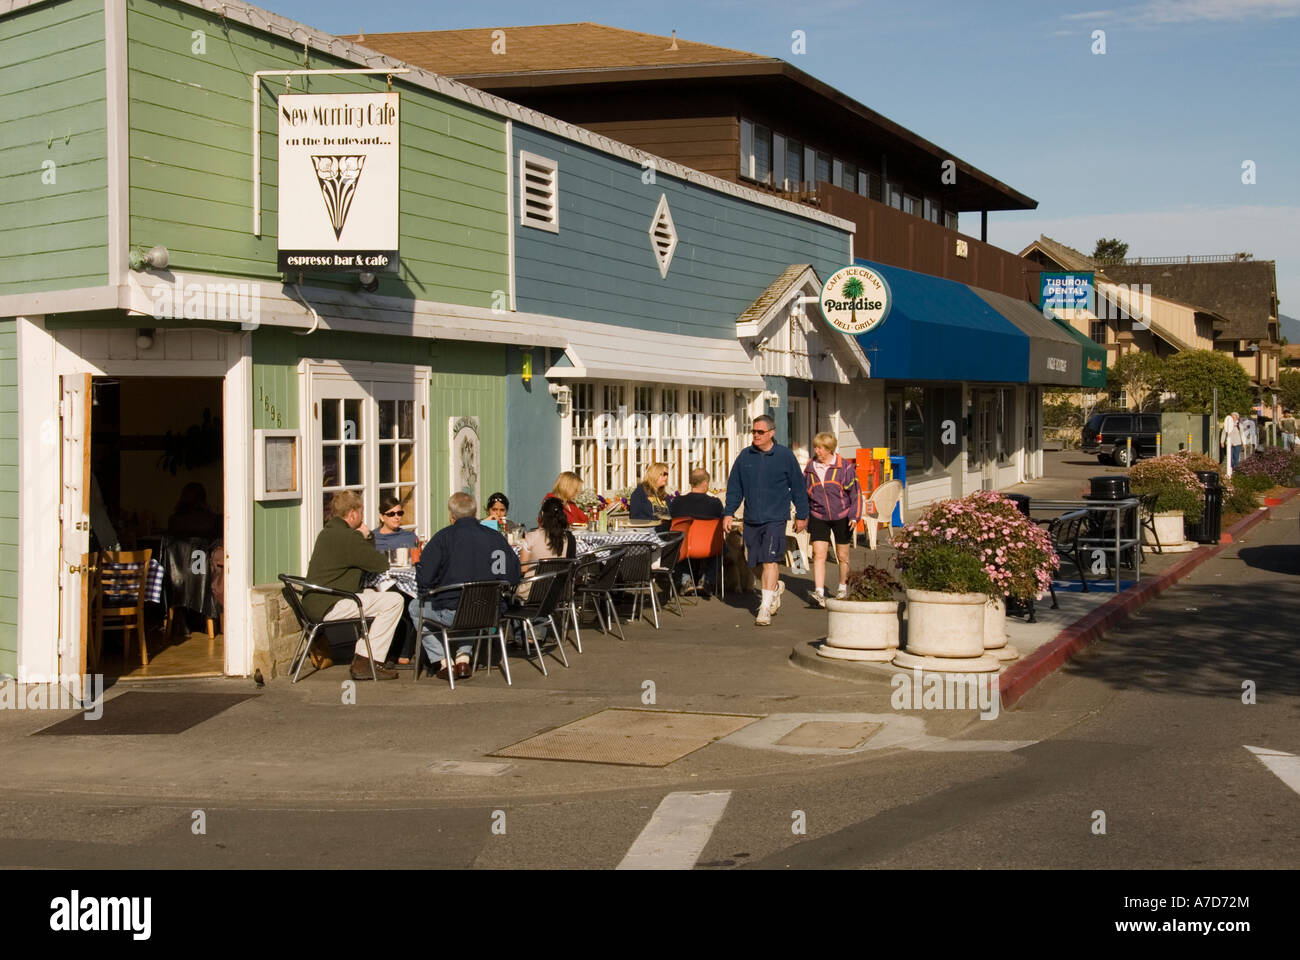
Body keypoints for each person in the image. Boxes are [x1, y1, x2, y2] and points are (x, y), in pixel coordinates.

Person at [410, 492, 522, 680]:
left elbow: (425, 580)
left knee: (415, 607)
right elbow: (511, 575)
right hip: (490, 611)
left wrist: (427, 578)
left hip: (454, 611)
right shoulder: (495, 538)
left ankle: (444, 661)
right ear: (476, 512)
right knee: (474, 601)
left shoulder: (442, 539)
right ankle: (463, 659)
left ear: (451, 515)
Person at [302, 491, 402, 680]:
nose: (363, 517)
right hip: (329, 603)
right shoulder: (349, 537)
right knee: (394, 601)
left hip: (315, 601)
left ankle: (364, 656)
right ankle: (366, 660)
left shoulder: (327, 532)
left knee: (374, 594)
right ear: (353, 514)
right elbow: (380, 564)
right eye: (361, 512)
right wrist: (367, 536)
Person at [723, 414, 809, 626]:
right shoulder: (745, 456)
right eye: (753, 431)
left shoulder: (785, 456)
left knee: (770, 560)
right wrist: (728, 512)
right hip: (751, 518)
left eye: (760, 432)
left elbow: (798, 486)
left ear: (771, 433)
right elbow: (735, 487)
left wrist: (802, 514)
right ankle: (775, 588)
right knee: (753, 562)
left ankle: (764, 607)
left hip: (776, 518)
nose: (756, 435)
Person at [803, 432, 858, 607]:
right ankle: (819, 593)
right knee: (819, 554)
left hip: (842, 515)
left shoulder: (845, 468)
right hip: (819, 515)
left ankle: (842, 588)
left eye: (820, 447)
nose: (816, 450)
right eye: (815, 447)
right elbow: (805, 494)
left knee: (843, 555)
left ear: (829, 449)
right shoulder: (810, 468)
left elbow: (855, 494)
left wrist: (854, 516)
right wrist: (804, 516)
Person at [668, 467, 724, 598]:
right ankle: (707, 579)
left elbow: (672, 520)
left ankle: (685, 580)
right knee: (722, 546)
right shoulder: (715, 503)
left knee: (678, 542)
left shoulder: (677, 502)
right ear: (705, 483)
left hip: (686, 547)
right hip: (709, 547)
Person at [517, 497, 577, 603]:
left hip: (531, 593)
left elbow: (523, 569)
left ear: (543, 515)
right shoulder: (569, 539)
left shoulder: (531, 537)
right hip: (559, 592)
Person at [629, 462, 671, 528]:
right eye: (664, 474)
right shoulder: (640, 492)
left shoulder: (665, 496)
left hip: (665, 532)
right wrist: (655, 521)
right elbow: (634, 517)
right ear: (655, 474)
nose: (666, 477)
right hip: (648, 532)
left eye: (667, 475)